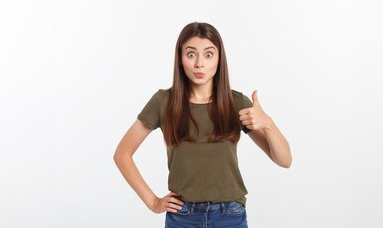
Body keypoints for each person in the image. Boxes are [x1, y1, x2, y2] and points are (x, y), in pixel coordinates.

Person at [113, 22, 292, 228]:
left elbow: (285, 160)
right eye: (191, 54)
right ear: (180, 59)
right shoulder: (163, 102)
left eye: (208, 55)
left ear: (218, 59)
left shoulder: (237, 103)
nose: (199, 64)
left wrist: (268, 124)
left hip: (229, 216)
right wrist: (153, 202)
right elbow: (122, 154)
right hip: (182, 216)